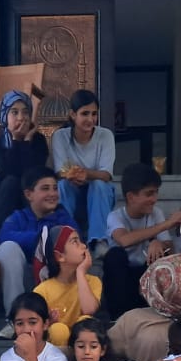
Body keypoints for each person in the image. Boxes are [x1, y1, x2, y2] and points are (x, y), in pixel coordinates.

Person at [103, 162, 181, 317]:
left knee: (163, 255)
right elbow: (124, 240)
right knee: (115, 256)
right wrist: (166, 224)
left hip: (145, 278)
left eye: (156, 193)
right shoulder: (115, 216)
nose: (154, 199)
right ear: (131, 197)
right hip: (123, 284)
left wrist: (158, 243)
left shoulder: (156, 213)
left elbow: (170, 248)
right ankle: (118, 318)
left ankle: (159, 312)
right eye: (149, 194)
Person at [0, 167, 78, 316]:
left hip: (54, 281)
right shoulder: (18, 217)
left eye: (55, 188)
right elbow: (4, 236)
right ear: (29, 194)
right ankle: (15, 316)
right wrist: (40, 238)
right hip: (24, 280)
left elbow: (75, 243)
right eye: (45, 189)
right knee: (7, 248)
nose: (52, 194)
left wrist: (48, 239)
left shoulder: (64, 219)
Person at [49, 88, 116, 246]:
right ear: (73, 115)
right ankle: (67, 239)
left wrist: (85, 174)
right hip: (73, 187)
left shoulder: (105, 135)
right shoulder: (60, 136)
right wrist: (75, 176)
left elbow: (106, 175)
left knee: (99, 185)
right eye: (85, 114)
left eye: (94, 114)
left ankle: (99, 241)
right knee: (62, 185)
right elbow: (61, 171)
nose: (90, 119)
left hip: (99, 192)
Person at [0, 90, 50, 235]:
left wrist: (27, 141)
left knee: (30, 184)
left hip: (30, 192)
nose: (21, 118)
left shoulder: (39, 141)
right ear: (5, 116)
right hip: (5, 195)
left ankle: (35, 231)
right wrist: (16, 140)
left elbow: (34, 172)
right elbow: (9, 169)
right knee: (11, 181)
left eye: (25, 112)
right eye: (14, 112)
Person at [33, 224, 102, 346]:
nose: (84, 246)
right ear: (59, 256)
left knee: (85, 322)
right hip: (57, 349)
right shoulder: (42, 290)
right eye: (75, 242)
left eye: (80, 241)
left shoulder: (93, 281)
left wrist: (80, 272)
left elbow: (89, 310)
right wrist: (49, 322)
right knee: (58, 330)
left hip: (83, 350)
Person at [0, 292, 68, 361]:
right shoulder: (6, 357)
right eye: (20, 323)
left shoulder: (57, 358)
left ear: (45, 324)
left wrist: (30, 355)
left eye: (32, 322)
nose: (26, 329)